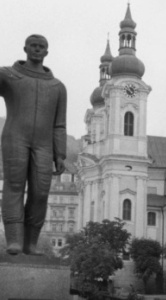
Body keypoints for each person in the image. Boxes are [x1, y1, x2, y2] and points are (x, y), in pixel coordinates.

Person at [0, 34, 67, 255]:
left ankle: (31, 243)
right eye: (34, 46)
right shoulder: (8, 76)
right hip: (14, 137)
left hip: (44, 143)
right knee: (14, 186)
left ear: (47, 52)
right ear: (25, 49)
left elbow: (59, 125)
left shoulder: (58, 87)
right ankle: (15, 241)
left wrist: (61, 154)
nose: (37, 50)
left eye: (42, 47)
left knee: (41, 192)